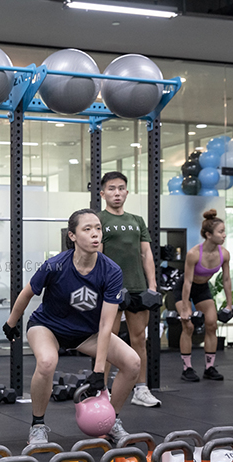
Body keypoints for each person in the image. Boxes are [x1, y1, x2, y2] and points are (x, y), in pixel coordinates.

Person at [2, 208, 141, 445]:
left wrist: (99, 372)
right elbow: (26, 293)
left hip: (87, 333)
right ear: (73, 236)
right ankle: (37, 425)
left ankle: (111, 420)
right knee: (46, 362)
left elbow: (107, 323)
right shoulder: (55, 265)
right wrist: (11, 323)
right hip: (48, 327)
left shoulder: (111, 271)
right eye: (87, 229)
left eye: (98, 228)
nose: (95, 234)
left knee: (132, 362)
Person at [97, 171, 162, 408]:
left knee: (139, 339)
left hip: (137, 287)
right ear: (103, 193)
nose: (117, 193)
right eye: (112, 189)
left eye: (121, 188)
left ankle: (141, 389)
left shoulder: (137, 221)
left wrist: (152, 285)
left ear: (126, 192)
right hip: (111, 290)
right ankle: (101, 392)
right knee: (107, 340)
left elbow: (146, 253)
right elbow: (98, 256)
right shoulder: (99, 219)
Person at [173, 209, 232, 382]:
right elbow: (187, 283)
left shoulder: (224, 254)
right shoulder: (194, 254)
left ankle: (209, 367)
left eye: (224, 231)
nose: (224, 235)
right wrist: (185, 308)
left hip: (203, 288)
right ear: (208, 234)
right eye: (220, 232)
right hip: (184, 288)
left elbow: (227, 279)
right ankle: (187, 368)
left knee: (212, 324)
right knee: (188, 326)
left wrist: (229, 305)